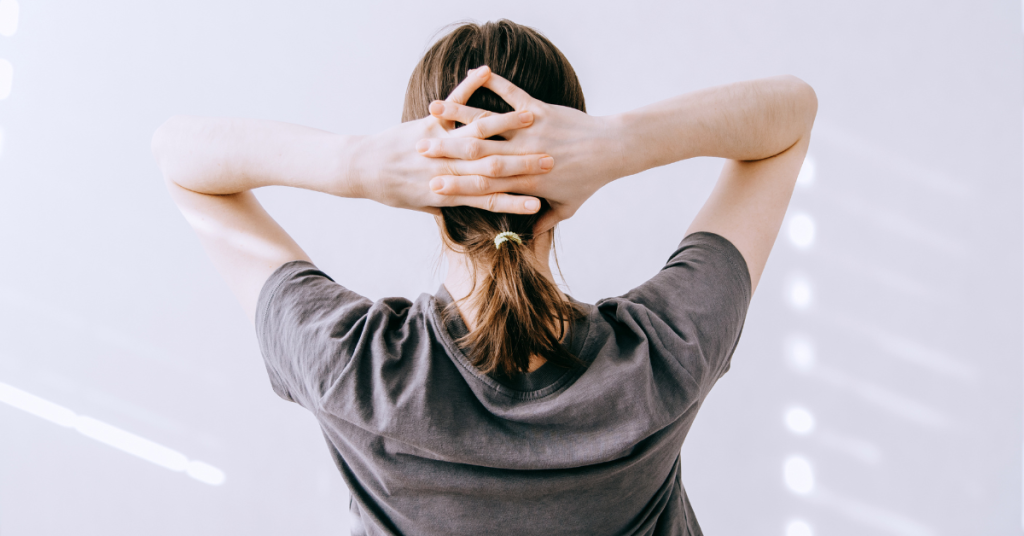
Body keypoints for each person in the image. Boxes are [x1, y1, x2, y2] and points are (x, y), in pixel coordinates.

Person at [151, 19, 816, 536]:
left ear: (422, 189)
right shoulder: (663, 354)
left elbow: (180, 158)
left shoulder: (352, 366)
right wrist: (619, 143)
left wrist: (354, 163)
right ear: (570, 175)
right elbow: (791, 112)